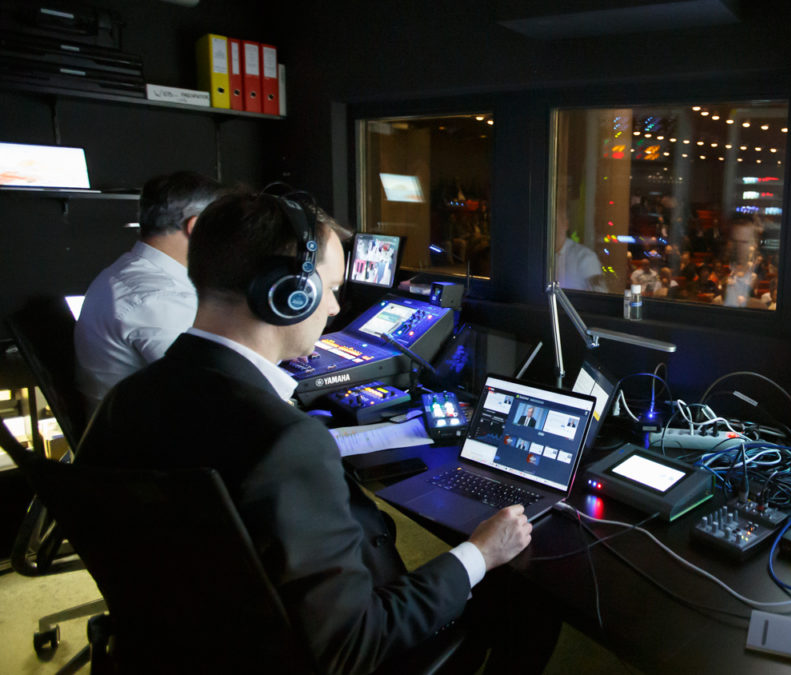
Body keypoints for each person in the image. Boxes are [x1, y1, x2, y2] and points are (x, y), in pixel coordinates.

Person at [76, 190, 543, 674]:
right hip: (310, 652)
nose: (336, 308)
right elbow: (351, 646)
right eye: (331, 288)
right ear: (286, 293)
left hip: (177, 646)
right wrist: (479, 553)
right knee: (523, 609)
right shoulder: (285, 442)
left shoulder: (122, 402)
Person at [74, 171, 227, 411]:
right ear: (196, 227)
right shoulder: (157, 297)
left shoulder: (130, 273)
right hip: (150, 441)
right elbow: (216, 394)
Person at [553, 199, 606, 292]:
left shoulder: (585, 257)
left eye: (554, 223)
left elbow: (600, 294)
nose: (550, 227)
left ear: (565, 224)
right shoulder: (539, 255)